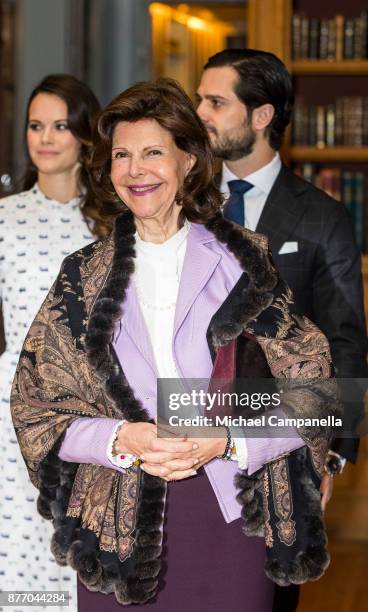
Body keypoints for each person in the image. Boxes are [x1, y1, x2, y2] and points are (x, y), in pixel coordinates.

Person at [11, 78, 341, 611]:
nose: (134, 170)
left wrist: (228, 441)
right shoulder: (80, 277)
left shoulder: (246, 264)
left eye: (152, 153)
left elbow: (321, 397)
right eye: (122, 154)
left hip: (228, 510)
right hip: (113, 522)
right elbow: (35, 412)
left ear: (189, 160)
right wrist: (122, 437)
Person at [197, 48, 368, 610]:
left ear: (262, 116)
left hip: (282, 439)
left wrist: (331, 452)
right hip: (184, 434)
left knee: (269, 597)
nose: (199, 111)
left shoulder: (322, 217)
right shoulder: (185, 206)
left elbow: (344, 340)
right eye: (201, 98)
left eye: (216, 102)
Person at [0, 74, 110, 609]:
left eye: (60, 126)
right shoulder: (3, 219)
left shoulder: (114, 225)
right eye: (35, 125)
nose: (44, 138)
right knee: (18, 562)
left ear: (86, 136)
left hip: (94, 413)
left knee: (81, 561)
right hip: (11, 415)